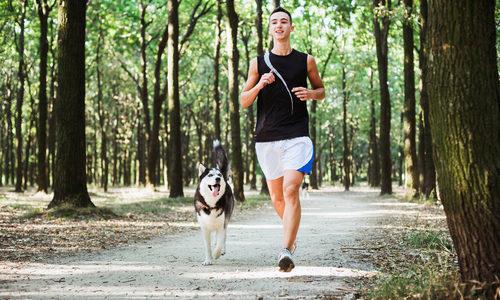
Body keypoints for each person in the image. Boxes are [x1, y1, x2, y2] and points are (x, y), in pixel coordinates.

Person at [240, 7, 325, 272]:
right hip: (267, 137)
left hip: (297, 135)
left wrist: (311, 94)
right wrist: (260, 85)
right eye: (274, 22)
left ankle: (285, 250)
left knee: (291, 189)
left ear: (291, 28)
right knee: (277, 197)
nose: (279, 25)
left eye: (284, 21)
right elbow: (244, 101)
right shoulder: (259, 63)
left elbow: (321, 90)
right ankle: (292, 234)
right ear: (270, 28)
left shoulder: (306, 61)